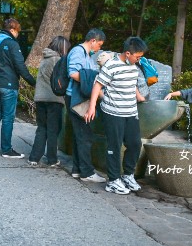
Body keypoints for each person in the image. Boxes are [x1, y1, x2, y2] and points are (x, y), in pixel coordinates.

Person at [85, 37, 148, 195]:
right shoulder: (111, 66)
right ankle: (113, 181)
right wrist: (92, 107)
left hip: (131, 112)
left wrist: (139, 97)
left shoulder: (133, 66)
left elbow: (131, 84)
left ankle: (127, 175)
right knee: (114, 146)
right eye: (137, 57)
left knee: (134, 144)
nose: (138, 60)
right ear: (128, 53)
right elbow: (97, 85)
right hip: (113, 112)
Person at [0, 18, 36, 158]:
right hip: (8, 86)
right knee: (7, 118)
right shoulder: (12, 44)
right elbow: (20, 66)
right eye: (17, 31)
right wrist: (33, 82)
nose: (18, 33)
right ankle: (6, 150)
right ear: (12, 30)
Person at [66, 28, 106, 183]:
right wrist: (92, 84)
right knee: (85, 135)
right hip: (77, 99)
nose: (99, 48)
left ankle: (77, 170)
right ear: (93, 41)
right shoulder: (78, 52)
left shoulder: (86, 54)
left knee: (81, 135)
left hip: (78, 98)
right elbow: (73, 73)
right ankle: (87, 172)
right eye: (100, 44)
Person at [28, 36, 70, 167]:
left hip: (40, 98)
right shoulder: (58, 60)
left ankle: (34, 157)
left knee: (42, 128)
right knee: (53, 130)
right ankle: (52, 159)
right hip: (54, 99)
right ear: (62, 47)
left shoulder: (45, 59)